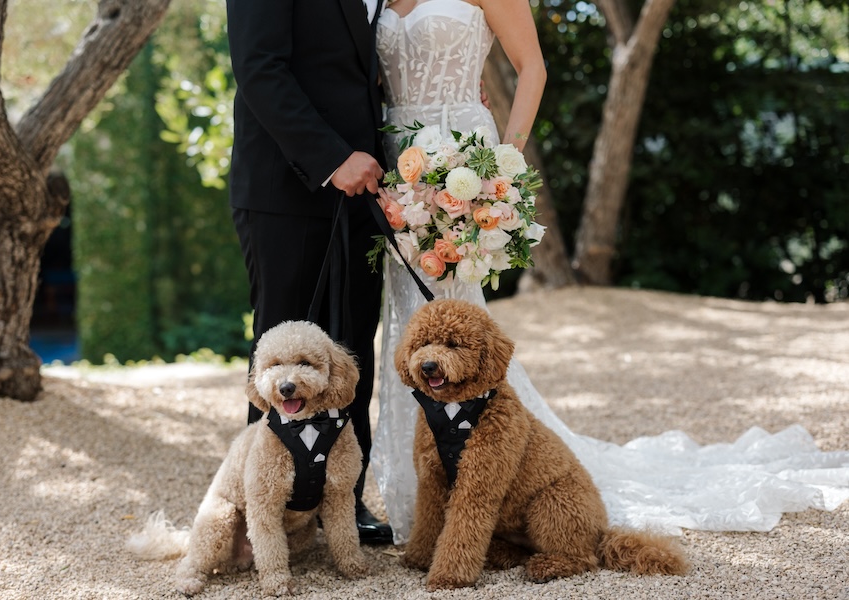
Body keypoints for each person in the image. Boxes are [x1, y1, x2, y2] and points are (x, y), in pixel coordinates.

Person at [369, 0, 849, 544]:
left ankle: (487, 491)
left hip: (464, 158)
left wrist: (501, 166)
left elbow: (533, 67)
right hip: (392, 161)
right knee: (405, 314)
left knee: (455, 318)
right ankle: (423, 493)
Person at [225, 0, 393, 544]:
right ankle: (268, 517)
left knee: (350, 352)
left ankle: (343, 499)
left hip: (363, 190)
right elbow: (258, 66)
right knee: (282, 356)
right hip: (285, 189)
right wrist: (330, 157)